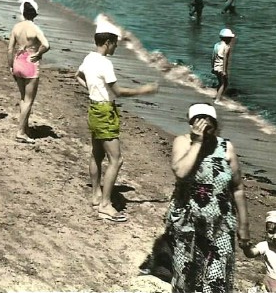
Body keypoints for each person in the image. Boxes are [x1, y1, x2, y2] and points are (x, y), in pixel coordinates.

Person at [75, 17, 158, 222]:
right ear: (108, 42)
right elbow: (118, 92)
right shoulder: (105, 64)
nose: (116, 47)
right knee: (116, 160)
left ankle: (96, 195)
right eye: (115, 44)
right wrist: (143, 90)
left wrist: (94, 90)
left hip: (94, 108)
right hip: (105, 112)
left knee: (96, 154)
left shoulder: (89, 58)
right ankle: (105, 204)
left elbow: (77, 76)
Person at [166, 103, 250, 293]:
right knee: (185, 275)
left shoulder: (226, 147)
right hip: (187, 223)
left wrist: (244, 225)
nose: (203, 128)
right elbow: (180, 172)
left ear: (215, 124)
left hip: (220, 223)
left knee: (216, 279)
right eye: (198, 122)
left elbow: (237, 188)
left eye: (208, 124)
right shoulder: (183, 142)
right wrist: (197, 143)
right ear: (191, 124)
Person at [7, 0, 50, 144]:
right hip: (30, 64)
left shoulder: (16, 27)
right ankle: (20, 132)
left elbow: (9, 49)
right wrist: (38, 54)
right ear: (35, 14)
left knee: (23, 98)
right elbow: (46, 45)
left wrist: (10, 65)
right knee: (29, 100)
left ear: (23, 13)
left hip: (18, 61)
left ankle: (24, 128)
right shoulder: (35, 28)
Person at [212, 28, 235, 104]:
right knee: (224, 83)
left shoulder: (216, 45)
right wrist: (224, 70)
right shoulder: (226, 47)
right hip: (221, 67)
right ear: (227, 38)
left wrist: (212, 66)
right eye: (230, 38)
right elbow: (225, 59)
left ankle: (217, 96)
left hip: (216, 66)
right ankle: (217, 99)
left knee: (220, 82)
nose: (231, 40)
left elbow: (213, 57)